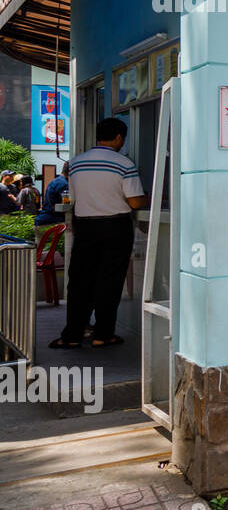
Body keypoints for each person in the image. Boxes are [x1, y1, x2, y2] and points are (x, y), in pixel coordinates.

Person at [48, 118, 148, 349]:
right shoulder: (124, 163)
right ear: (119, 138)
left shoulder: (75, 163)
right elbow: (134, 202)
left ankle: (72, 335)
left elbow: (73, 198)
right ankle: (103, 334)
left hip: (85, 227)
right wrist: (145, 197)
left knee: (80, 281)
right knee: (109, 281)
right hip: (116, 227)